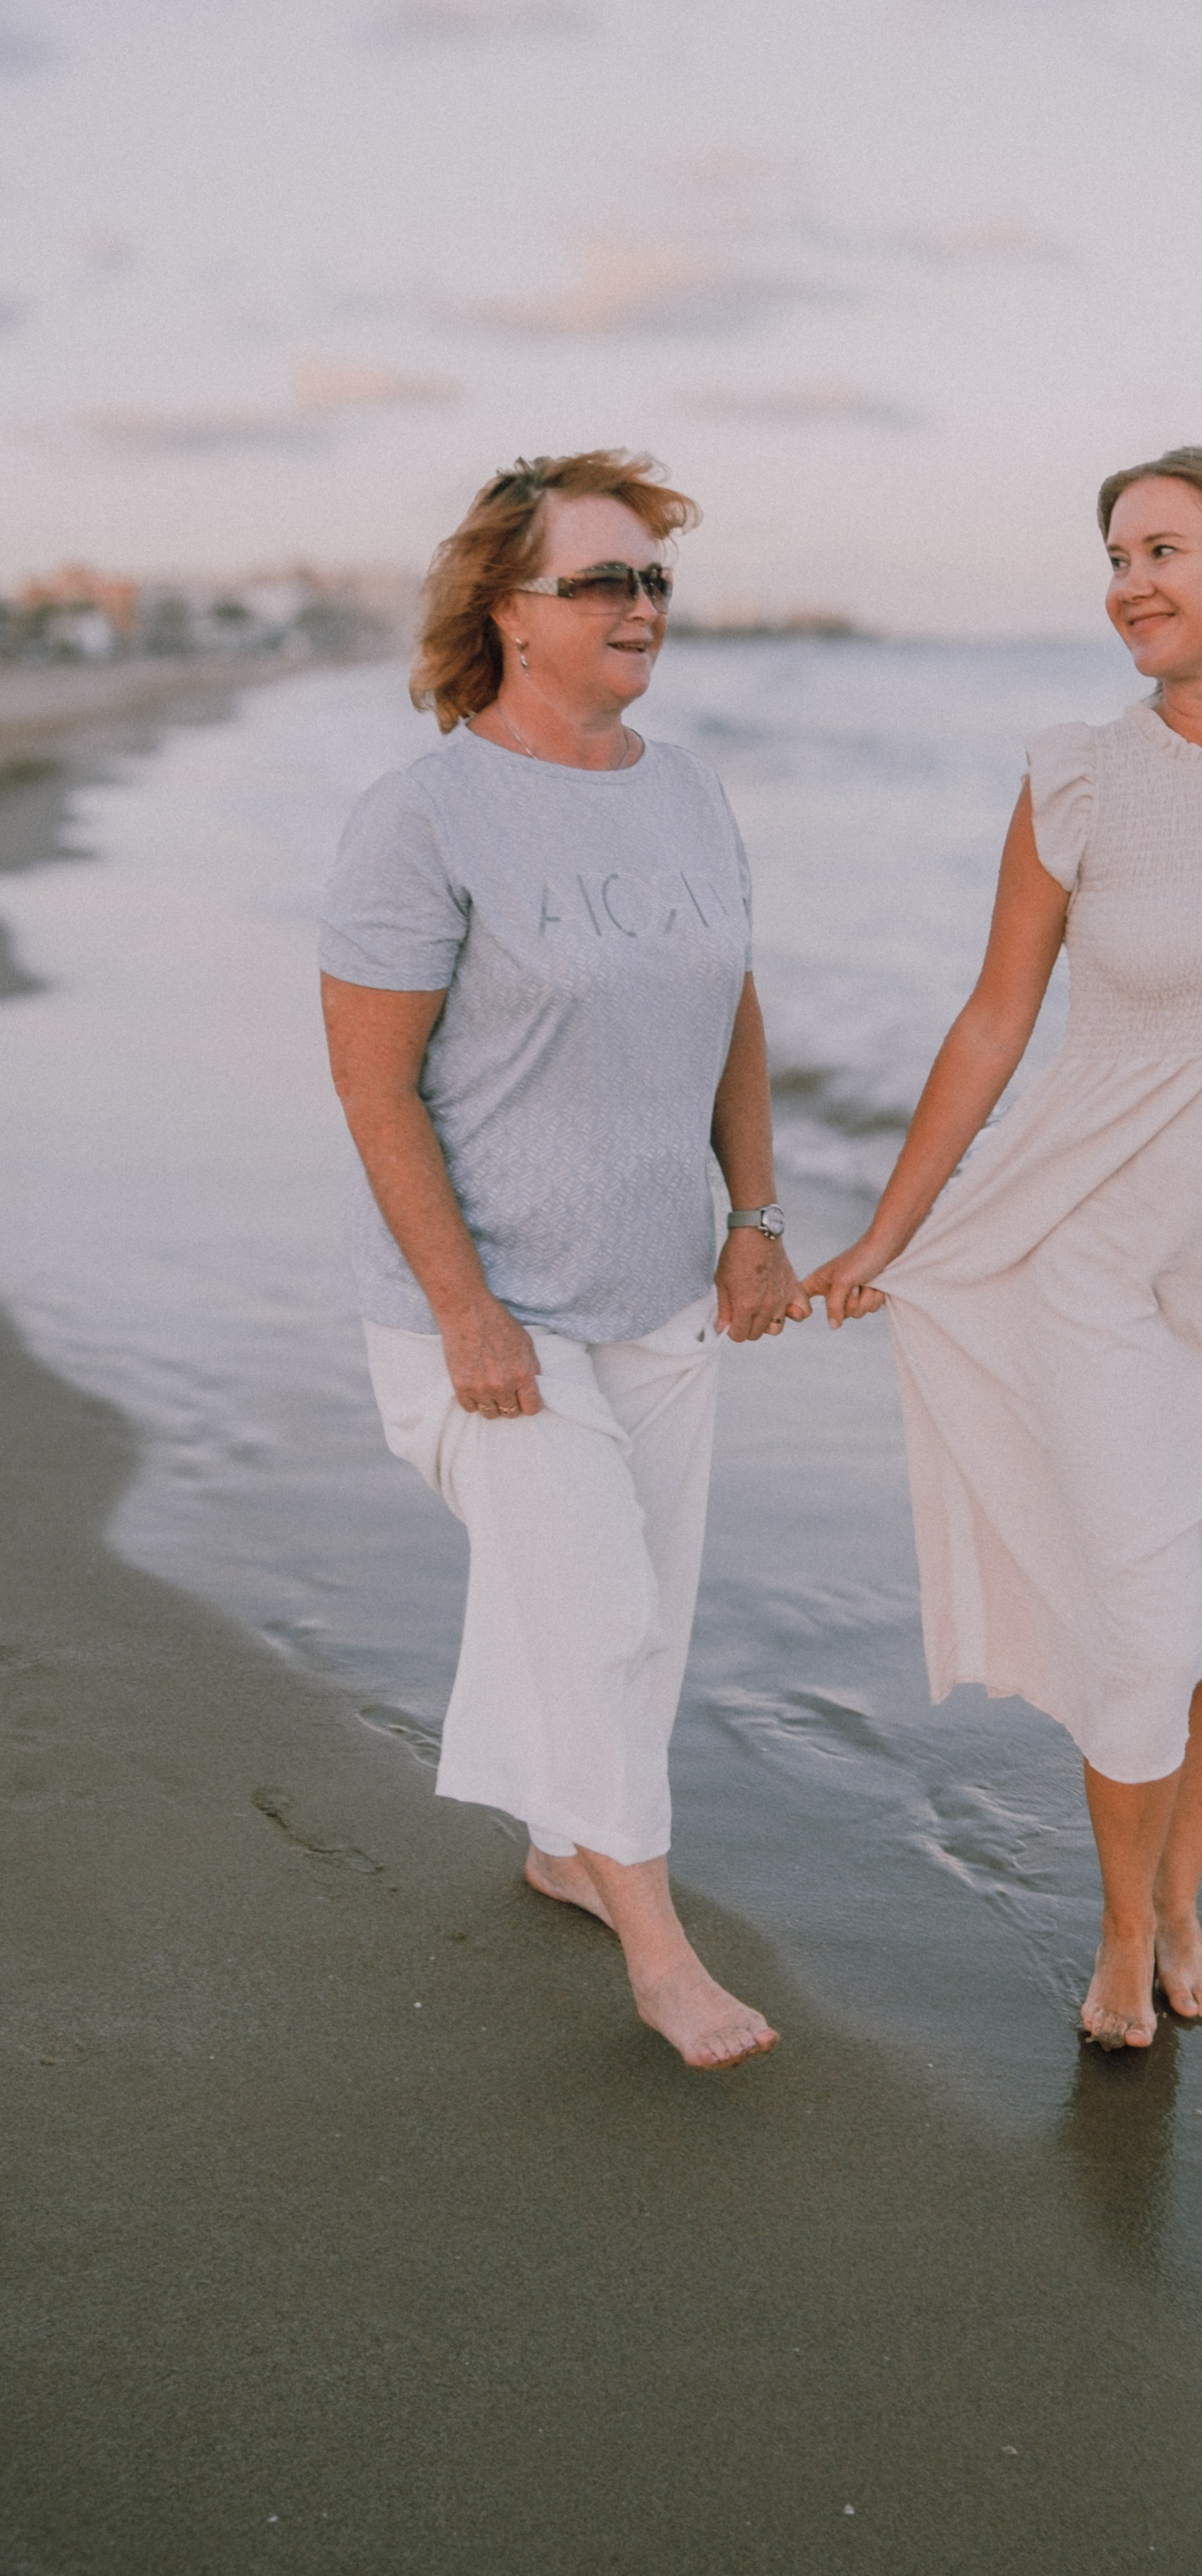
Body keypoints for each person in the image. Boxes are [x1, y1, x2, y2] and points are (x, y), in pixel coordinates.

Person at [804, 448, 1202, 2050]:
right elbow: (993, 1017)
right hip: (1090, 1250)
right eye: (1113, 557)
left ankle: (1178, 1899)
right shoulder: (1076, 777)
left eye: (1162, 548)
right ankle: (1112, 1935)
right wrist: (892, 1229)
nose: (1128, 583)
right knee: (1143, 1608)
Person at [319, 451, 806, 2070]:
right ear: (506, 613)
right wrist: (465, 1311)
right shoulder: (421, 815)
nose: (641, 606)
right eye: (603, 580)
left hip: (662, 1284)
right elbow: (373, 1084)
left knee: (638, 1613)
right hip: (487, 1308)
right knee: (592, 1600)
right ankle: (660, 1951)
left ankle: (558, 1842)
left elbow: (731, 1004)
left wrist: (752, 1222)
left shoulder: (688, 790)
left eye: (655, 579)